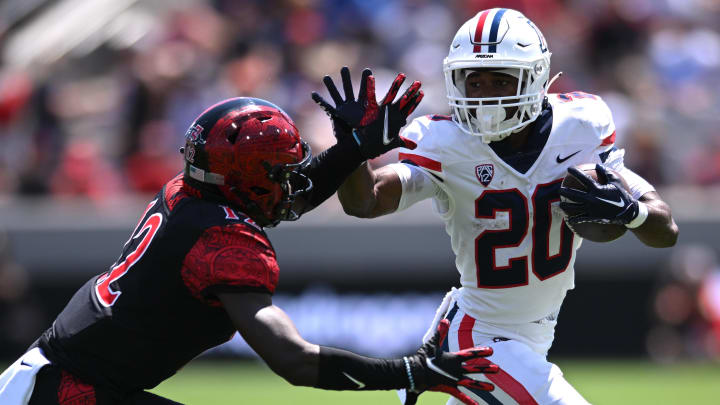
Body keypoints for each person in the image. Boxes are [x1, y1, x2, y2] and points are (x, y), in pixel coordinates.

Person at [0, 87, 502, 405]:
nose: (292, 183)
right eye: (280, 172)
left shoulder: (192, 189)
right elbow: (294, 360)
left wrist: (354, 149)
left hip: (61, 379)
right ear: (248, 178)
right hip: (69, 393)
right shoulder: (224, 240)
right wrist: (408, 372)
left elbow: (291, 192)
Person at [313, 8, 679, 405]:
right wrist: (353, 150)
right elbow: (365, 203)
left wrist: (631, 212)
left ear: (535, 77)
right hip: (478, 337)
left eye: (501, 79)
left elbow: (665, 230)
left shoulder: (580, 126)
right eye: (475, 80)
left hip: (533, 337)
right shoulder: (445, 142)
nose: (486, 93)